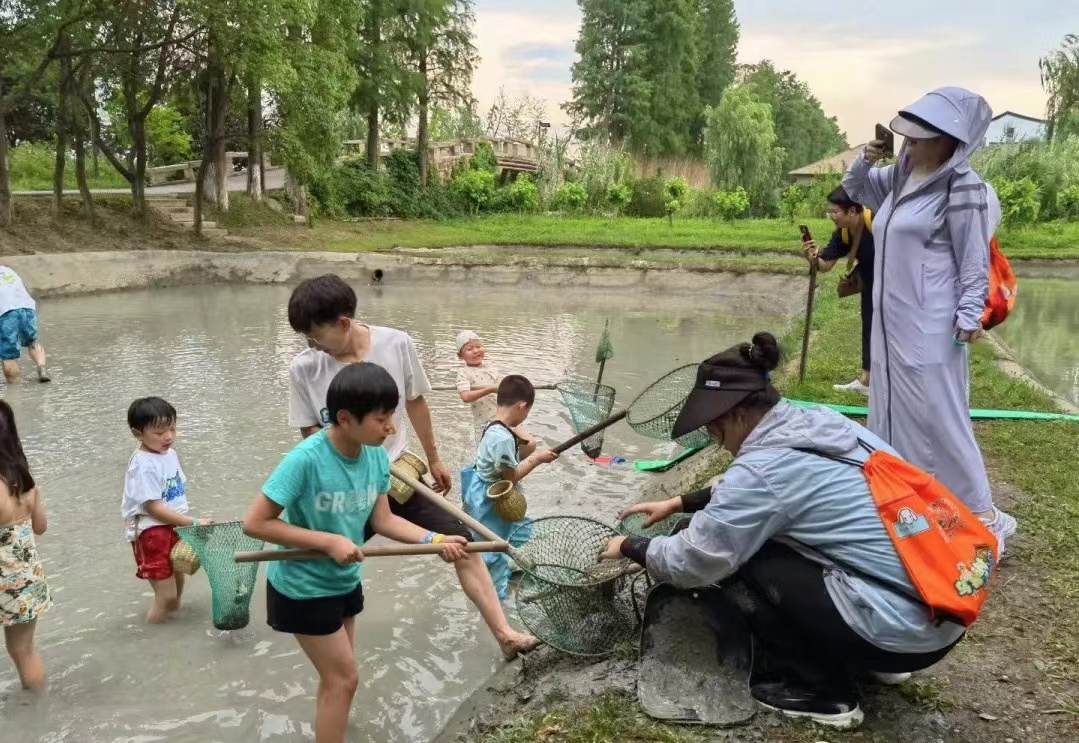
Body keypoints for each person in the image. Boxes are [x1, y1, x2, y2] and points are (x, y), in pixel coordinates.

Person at [599, 333, 968, 729]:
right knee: (764, 539)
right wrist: (680, 503)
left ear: (735, 416)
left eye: (714, 431)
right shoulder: (817, 423)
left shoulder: (763, 470)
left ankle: (823, 693)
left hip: (901, 634)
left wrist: (631, 545)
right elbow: (767, 488)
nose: (717, 443)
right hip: (938, 608)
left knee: (747, 559)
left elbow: (693, 562)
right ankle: (870, 658)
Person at [285, 274, 538, 659]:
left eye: (315, 335)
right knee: (324, 564)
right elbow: (311, 432)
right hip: (345, 486)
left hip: (399, 478)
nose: (311, 345)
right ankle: (336, 663)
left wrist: (433, 457)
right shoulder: (304, 368)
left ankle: (505, 635)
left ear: (343, 323)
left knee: (463, 544)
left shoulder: (395, 343)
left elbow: (417, 401)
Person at [243, 363, 470, 743]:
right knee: (344, 677)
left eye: (391, 417)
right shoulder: (306, 458)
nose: (392, 428)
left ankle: (330, 729)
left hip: (343, 580)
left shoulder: (376, 457)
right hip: (302, 587)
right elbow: (255, 523)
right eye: (382, 419)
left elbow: (383, 520)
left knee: (338, 678)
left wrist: (434, 541)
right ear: (345, 418)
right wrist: (327, 541)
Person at [841, 86, 1016, 551]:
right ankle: (908, 502)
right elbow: (855, 191)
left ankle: (980, 514)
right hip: (890, 321)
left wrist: (965, 319)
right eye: (910, 137)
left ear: (953, 141)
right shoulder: (900, 176)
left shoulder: (965, 189)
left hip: (933, 324)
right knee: (891, 408)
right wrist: (866, 156)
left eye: (924, 138)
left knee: (939, 416)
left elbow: (973, 261)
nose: (913, 144)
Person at [461, 375, 557, 602]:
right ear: (522, 406)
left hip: (478, 491)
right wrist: (538, 459)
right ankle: (496, 598)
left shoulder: (492, 425)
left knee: (517, 529)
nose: (525, 418)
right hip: (491, 500)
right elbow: (511, 477)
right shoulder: (503, 439)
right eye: (527, 412)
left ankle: (508, 566)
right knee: (493, 547)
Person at [120, 397, 211, 624]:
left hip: (173, 526)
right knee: (166, 594)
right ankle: (153, 635)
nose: (168, 436)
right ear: (137, 433)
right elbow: (154, 508)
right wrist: (194, 522)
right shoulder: (143, 464)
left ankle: (172, 626)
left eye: (172, 428)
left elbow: (175, 494)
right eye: (160, 432)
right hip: (152, 532)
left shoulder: (169, 455)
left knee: (178, 582)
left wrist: (183, 523)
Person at [801, 187, 874, 396]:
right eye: (830, 212)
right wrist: (811, 257)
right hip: (871, 285)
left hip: (898, 285)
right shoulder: (843, 232)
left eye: (835, 212)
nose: (832, 216)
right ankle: (867, 381)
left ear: (852, 211)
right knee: (869, 327)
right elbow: (825, 265)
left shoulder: (877, 221)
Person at [0, 401, 50, 689]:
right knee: (24, 650)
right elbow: (40, 528)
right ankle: (38, 710)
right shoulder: (27, 484)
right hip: (27, 578)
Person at [0, 266, 49, 384]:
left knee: (8, 355)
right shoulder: (6, 269)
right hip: (27, 308)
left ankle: (15, 391)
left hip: (6, 313)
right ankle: (42, 368)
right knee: (32, 341)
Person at [455, 330, 502, 439]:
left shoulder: (491, 367)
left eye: (478, 346)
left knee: (525, 445)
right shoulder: (464, 373)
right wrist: (490, 389)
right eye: (470, 349)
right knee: (486, 454)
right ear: (460, 355)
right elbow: (465, 397)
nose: (476, 351)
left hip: (504, 419)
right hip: (485, 424)